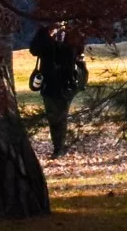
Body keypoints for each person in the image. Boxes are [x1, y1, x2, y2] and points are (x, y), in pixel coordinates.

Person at [25, 21, 88, 157]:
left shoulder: (73, 32)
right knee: (53, 115)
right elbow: (34, 50)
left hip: (67, 80)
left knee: (61, 113)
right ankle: (58, 146)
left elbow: (75, 51)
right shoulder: (45, 32)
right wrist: (48, 34)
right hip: (49, 81)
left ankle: (59, 147)